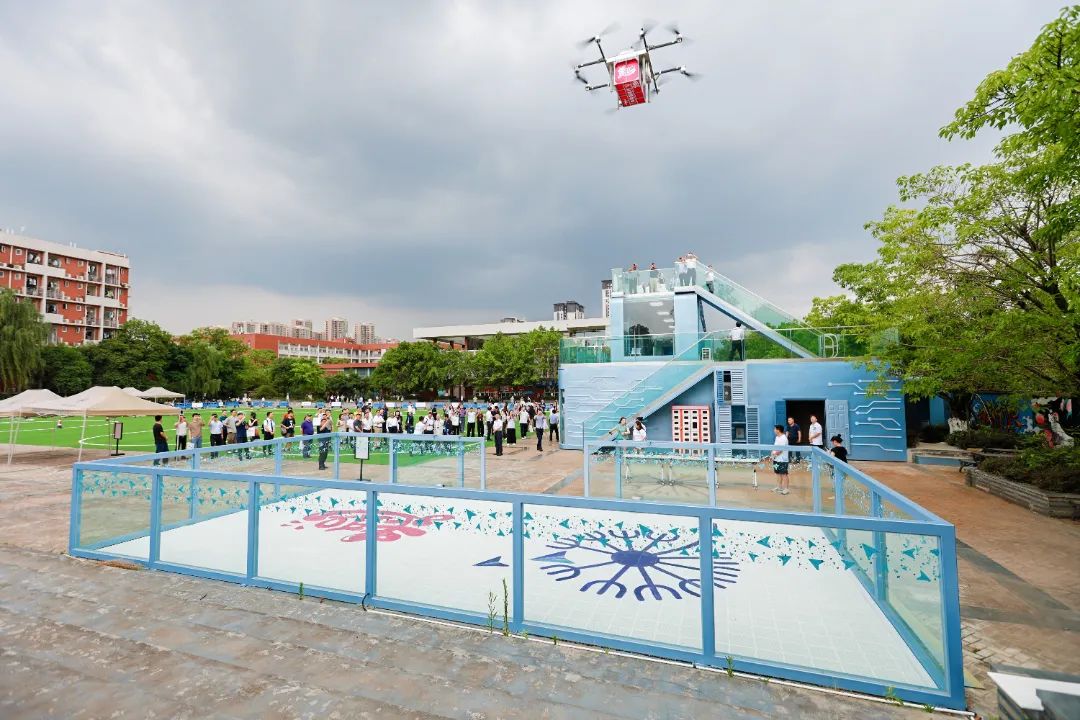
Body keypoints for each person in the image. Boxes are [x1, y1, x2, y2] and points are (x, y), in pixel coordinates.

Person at [768, 424, 790, 495]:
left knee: (784, 474)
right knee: (777, 473)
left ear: (778, 430)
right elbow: (775, 447)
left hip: (783, 460)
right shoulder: (777, 437)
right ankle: (779, 487)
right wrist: (772, 454)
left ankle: (786, 489)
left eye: (775, 429)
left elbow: (781, 450)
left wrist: (774, 455)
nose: (774, 430)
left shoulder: (784, 438)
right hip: (776, 459)